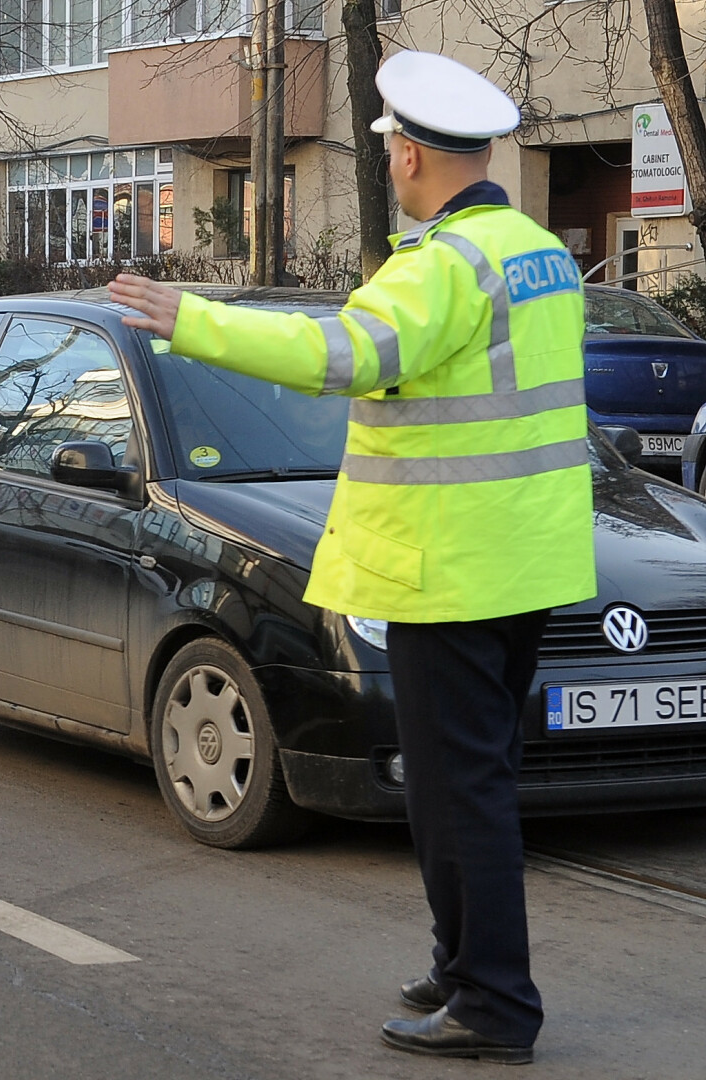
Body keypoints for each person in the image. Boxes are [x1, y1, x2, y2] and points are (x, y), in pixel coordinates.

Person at [109, 50, 594, 1066]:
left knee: (454, 791)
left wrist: (192, 319)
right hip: (527, 564)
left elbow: (343, 356)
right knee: (470, 782)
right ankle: (461, 966)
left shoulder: (440, 266)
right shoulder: (535, 249)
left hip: (450, 570)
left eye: (392, 152)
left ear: (409, 155)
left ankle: (493, 1003)